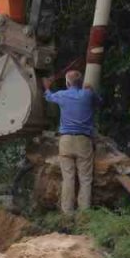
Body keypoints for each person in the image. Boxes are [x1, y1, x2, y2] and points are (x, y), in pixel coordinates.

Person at [42, 70, 101, 213]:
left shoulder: (62, 95)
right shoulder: (87, 94)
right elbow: (99, 102)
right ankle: (84, 213)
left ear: (68, 83)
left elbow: (48, 97)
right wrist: (92, 91)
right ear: (81, 83)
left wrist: (46, 86)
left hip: (66, 141)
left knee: (68, 178)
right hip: (83, 141)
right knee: (85, 179)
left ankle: (67, 214)